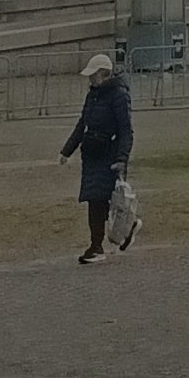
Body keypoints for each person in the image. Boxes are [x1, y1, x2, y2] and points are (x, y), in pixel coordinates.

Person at [60, 52, 134, 263]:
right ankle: (110, 238)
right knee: (97, 200)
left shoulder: (119, 95)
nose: (91, 79)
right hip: (92, 154)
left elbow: (126, 130)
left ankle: (99, 245)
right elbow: (82, 123)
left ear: (104, 73)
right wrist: (67, 150)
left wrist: (121, 158)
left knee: (105, 200)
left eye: (94, 74)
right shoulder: (92, 95)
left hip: (109, 153)